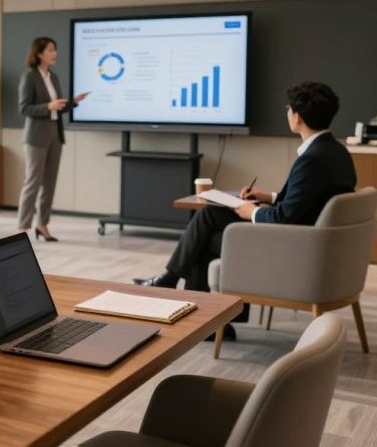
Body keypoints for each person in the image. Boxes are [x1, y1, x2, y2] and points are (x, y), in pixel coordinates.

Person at [134, 82, 357, 339]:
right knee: (210, 216)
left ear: (297, 116)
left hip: (295, 247)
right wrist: (268, 196)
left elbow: (283, 218)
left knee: (204, 236)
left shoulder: (312, 159)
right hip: (311, 241)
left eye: (288, 109)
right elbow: (309, 201)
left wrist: (251, 210)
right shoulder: (336, 151)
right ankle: (185, 293)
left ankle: (180, 293)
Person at [17, 37, 89, 241]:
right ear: (39, 53)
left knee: (49, 183)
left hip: (55, 135)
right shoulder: (29, 77)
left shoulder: (53, 77)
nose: (54, 53)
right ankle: (22, 227)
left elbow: (58, 106)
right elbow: (24, 108)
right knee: (33, 182)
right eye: (50, 50)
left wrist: (72, 102)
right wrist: (47, 107)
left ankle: (42, 225)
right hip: (35, 136)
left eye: (55, 50)